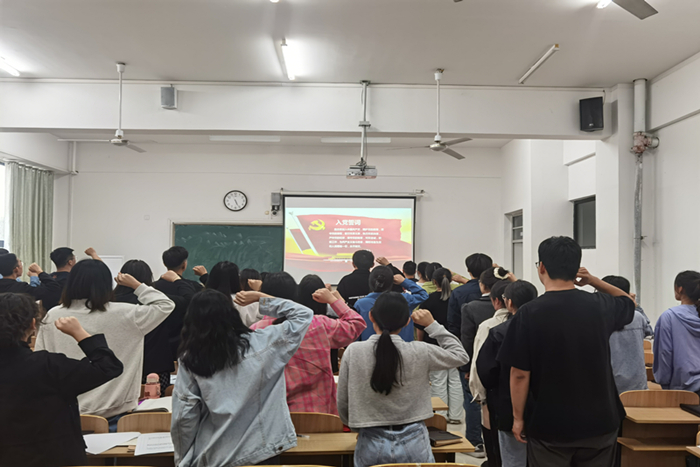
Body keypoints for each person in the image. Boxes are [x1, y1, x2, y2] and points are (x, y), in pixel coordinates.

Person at [499, 236, 635, 467]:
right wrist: (593, 280)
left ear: (542, 267)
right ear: (576, 268)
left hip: (549, 423)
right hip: (600, 420)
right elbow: (629, 301)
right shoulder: (600, 305)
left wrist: (518, 418)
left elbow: (520, 373)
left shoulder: (529, 313)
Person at [172, 288, 313, 466]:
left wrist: (183, 458)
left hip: (218, 454)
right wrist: (260, 298)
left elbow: (184, 415)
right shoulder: (265, 342)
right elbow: (303, 314)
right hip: (262, 451)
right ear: (232, 314)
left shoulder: (191, 359)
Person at [35, 259, 174, 429]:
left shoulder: (54, 315)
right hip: (117, 413)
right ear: (106, 285)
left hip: (66, 413)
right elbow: (165, 305)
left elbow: (40, 361)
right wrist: (137, 285)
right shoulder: (126, 313)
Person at [337, 293, 469, 467]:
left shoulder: (353, 351)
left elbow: (343, 401)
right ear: (407, 321)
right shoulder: (420, 350)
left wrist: (356, 425)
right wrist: (432, 325)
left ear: (371, 316)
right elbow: (461, 356)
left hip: (370, 439)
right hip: (415, 440)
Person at [0, 293, 123, 467]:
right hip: (56, 457)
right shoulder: (48, 366)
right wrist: (79, 333)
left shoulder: (47, 365)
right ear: (32, 325)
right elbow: (108, 366)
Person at [252, 273, 366, 415]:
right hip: (321, 416)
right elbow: (357, 324)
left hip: (273, 417)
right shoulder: (318, 324)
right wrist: (333, 300)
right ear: (295, 294)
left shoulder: (255, 332)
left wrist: (259, 297)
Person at [477, 280, 538, 467]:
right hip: (545, 409)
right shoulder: (548, 330)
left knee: (513, 459)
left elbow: (486, 373)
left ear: (509, 302)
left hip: (507, 405)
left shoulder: (499, 332)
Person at [113, 259, 193, 395]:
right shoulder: (159, 301)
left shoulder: (110, 302)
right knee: (156, 404)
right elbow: (190, 301)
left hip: (122, 365)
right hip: (155, 365)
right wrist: (177, 280)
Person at [447, 252, 493, 452]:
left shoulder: (459, 293)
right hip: (499, 352)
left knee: (472, 398)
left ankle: (475, 442)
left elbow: (453, 326)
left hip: (470, 351)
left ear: (468, 270)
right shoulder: (503, 292)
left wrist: (463, 362)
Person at [469, 279, 511, 467]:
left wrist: (479, 395)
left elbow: (479, 364)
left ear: (496, 301)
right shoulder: (532, 323)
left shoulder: (488, 326)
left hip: (495, 394)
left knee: (496, 446)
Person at [415, 267, 464, 424]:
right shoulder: (458, 298)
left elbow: (420, 327)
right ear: (450, 280)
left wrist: (420, 343)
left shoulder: (428, 301)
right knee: (456, 381)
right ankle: (456, 416)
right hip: (456, 344)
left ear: (433, 281)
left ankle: (441, 417)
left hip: (433, 345)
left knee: (438, 381)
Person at [600, 275, 653, 394]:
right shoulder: (637, 317)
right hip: (637, 386)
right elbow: (649, 331)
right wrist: (635, 305)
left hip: (608, 386)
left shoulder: (598, 317)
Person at [653, 270, 700, 397]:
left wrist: (665, 384)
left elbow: (664, 354)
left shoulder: (669, 317)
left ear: (679, 289)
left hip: (684, 391)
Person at [356, 265, 428, 342]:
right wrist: (404, 281)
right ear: (392, 282)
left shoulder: (360, 304)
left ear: (370, 282)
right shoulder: (404, 299)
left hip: (369, 348)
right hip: (403, 347)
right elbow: (423, 295)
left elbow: (356, 333)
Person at [153, 246, 202, 359]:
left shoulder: (152, 288)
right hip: (187, 345)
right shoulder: (194, 287)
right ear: (184, 265)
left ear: (165, 264)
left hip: (159, 345)